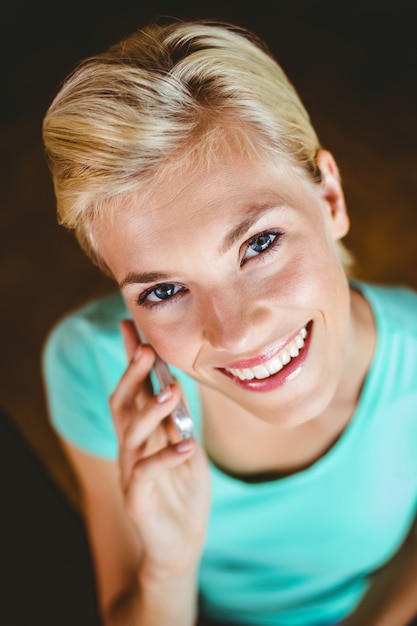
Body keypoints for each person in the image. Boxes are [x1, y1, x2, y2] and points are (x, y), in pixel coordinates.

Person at [41, 17, 417, 626]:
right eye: (163, 289)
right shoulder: (92, 367)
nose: (234, 333)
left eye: (260, 243)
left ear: (330, 200)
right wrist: (168, 565)